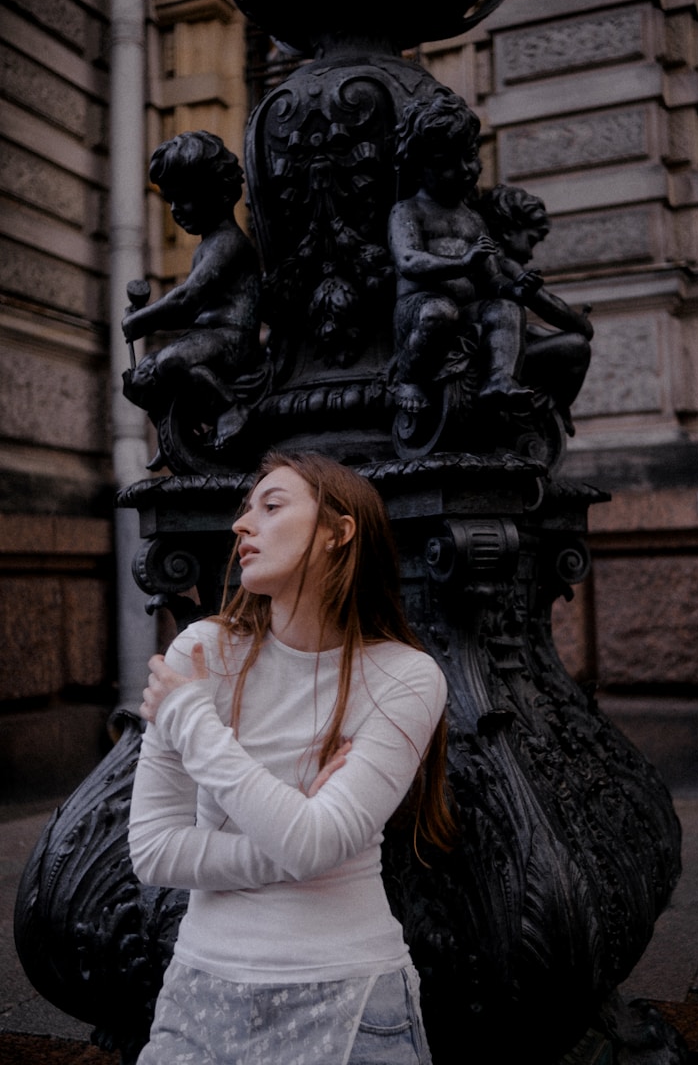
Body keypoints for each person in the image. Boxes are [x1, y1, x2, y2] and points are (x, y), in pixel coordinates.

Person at [128, 451, 454, 1065]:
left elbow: (311, 843)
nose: (241, 526)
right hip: (203, 992)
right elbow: (153, 849)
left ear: (338, 531)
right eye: (246, 510)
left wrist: (194, 723)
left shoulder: (406, 676)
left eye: (271, 506)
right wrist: (299, 835)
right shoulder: (202, 652)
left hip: (352, 995)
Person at [388, 93, 535, 415]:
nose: (466, 170)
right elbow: (409, 261)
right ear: (419, 167)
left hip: (465, 308)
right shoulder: (408, 211)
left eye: (470, 156)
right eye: (446, 163)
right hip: (419, 307)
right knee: (440, 312)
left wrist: (514, 289)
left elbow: (491, 277)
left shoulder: (472, 218)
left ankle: (498, 378)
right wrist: (462, 263)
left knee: (505, 309)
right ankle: (408, 377)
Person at [122, 130, 264, 442]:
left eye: (183, 198)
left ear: (219, 192)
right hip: (207, 337)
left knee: (172, 361)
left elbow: (187, 299)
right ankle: (176, 435)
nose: (174, 210)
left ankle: (230, 408)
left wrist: (140, 320)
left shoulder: (228, 243)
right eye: (170, 199)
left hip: (233, 340)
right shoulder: (207, 244)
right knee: (143, 373)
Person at [479, 183, 594, 431]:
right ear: (508, 231)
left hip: (489, 340)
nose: (531, 254)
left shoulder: (489, 257)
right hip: (486, 351)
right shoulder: (503, 263)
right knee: (577, 347)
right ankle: (556, 405)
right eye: (531, 240)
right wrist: (582, 324)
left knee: (538, 334)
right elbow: (546, 303)